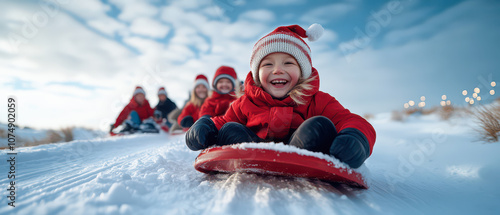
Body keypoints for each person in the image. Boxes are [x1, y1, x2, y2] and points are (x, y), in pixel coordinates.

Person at [185, 24, 376, 168]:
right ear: (257, 74)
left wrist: (357, 138)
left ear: (303, 72)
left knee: (319, 126)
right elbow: (222, 120)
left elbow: (350, 120)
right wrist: (206, 126)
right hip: (254, 147)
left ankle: (302, 152)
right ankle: (243, 151)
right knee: (230, 128)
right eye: (268, 65)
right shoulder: (246, 102)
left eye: (288, 63)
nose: (277, 70)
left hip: (302, 146)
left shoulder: (318, 100)